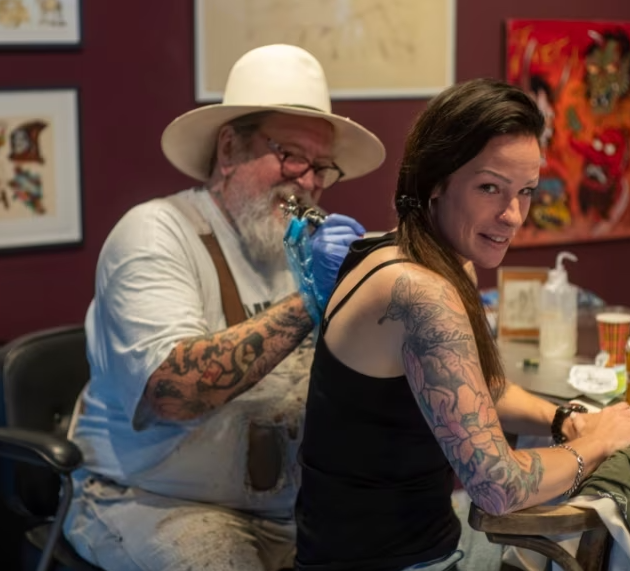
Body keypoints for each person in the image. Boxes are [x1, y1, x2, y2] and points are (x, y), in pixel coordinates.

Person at [294, 78, 630, 571]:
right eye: (490, 187)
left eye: (526, 191)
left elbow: (483, 391)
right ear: (435, 182)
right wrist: (598, 440)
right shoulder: (419, 291)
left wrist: (565, 418)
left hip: (420, 543)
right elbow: (498, 486)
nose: (512, 215)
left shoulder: (423, 254)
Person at [62, 44, 386, 571]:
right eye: (291, 156)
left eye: (322, 167)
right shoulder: (155, 234)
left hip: (287, 506)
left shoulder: (299, 244)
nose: (308, 181)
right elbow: (173, 391)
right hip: (153, 500)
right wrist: (310, 301)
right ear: (230, 148)